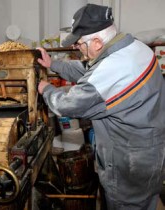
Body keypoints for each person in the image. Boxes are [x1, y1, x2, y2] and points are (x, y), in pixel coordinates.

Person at [37, 3, 165, 210]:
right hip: (151, 153)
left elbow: (68, 104)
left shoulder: (114, 68)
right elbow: (91, 70)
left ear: (96, 42)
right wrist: (53, 64)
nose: (76, 48)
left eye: (78, 44)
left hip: (129, 165)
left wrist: (46, 90)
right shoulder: (134, 48)